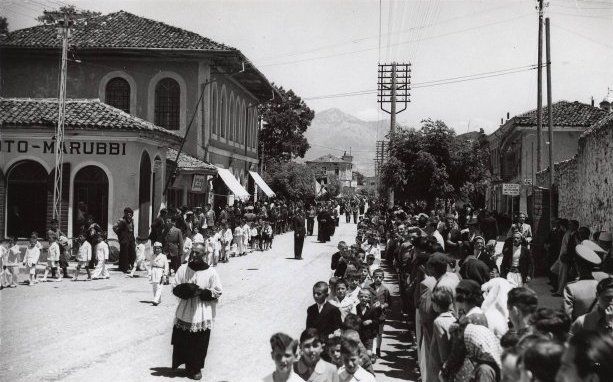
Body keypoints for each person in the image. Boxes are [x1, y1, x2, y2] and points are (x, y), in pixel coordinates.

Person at [171, 243, 222, 380]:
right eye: (193, 252)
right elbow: (175, 286)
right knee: (184, 339)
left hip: (201, 311)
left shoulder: (211, 272)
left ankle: (196, 368)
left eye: (198, 253)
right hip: (185, 310)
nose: (194, 255)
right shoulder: (183, 268)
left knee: (199, 341)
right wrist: (185, 290)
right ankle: (187, 365)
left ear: (204, 254)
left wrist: (201, 292)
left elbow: (217, 291)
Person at [563, 244, 601, 321]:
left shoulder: (571, 288)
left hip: (579, 331)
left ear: (578, 267)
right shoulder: (601, 286)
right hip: (598, 330)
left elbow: (567, 316)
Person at [370, 268, 390, 357]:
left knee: (379, 333)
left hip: (380, 315)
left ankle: (378, 349)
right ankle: (372, 350)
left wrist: (383, 305)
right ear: (373, 277)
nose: (378, 278)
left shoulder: (385, 290)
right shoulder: (369, 288)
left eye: (380, 277)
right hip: (371, 314)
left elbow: (388, 302)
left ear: (383, 278)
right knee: (371, 333)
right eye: (376, 277)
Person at [113, 207, 136, 273]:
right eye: (128, 214)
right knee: (124, 253)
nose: (130, 216)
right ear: (125, 214)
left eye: (131, 214)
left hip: (131, 238)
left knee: (132, 252)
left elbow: (132, 230)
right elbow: (114, 227)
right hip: (124, 239)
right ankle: (123, 267)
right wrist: (119, 234)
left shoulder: (132, 220)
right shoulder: (121, 220)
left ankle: (130, 265)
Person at [150, 242, 169, 306]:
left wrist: (165, 274)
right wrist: (150, 273)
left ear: (161, 249)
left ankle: (156, 300)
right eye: (156, 248)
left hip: (160, 271)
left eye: (158, 248)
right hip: (154, 271)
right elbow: (151, 265)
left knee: (159, 286)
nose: (157, 250)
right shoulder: (153, 256)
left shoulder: (163, 256)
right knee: (154, 286)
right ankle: (158, 299)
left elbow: (166, 266)